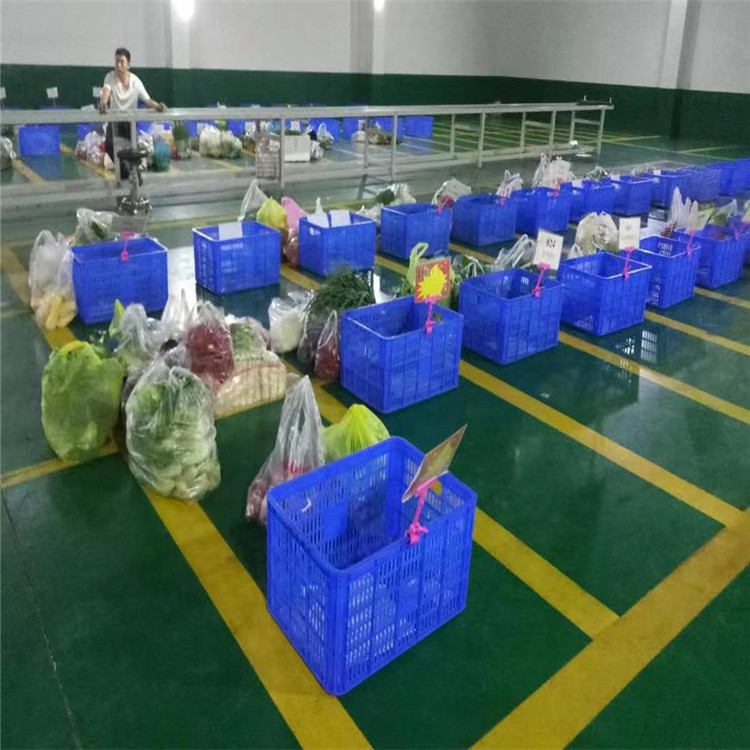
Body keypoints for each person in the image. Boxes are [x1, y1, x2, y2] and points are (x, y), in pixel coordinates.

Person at [99, 47, 167, 179]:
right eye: (116, 62)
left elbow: (147, 101)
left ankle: (132, 175)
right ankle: (130, 173)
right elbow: (106, 92)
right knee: (109, 146)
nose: (118, 65)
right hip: (114, 122)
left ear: (128, 65)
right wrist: (103, 103)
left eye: (121, 62)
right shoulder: (110, 77)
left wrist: (158, 106)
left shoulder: (136, 81)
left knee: (131, 151)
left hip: (130, 124)